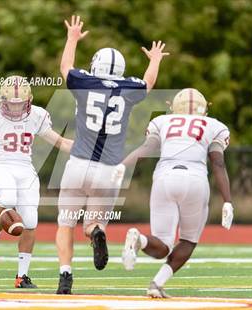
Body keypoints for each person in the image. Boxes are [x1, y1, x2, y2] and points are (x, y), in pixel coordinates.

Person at [56, 15, 169, 294]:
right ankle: (96, 233)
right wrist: (155, 59)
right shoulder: (129, 88)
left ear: (95, 65)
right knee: (91, 225)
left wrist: (72, 38)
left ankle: (65, 276)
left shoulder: (84, 81)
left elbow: (65, 68)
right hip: (109, 170)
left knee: (66, 223)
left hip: (78, 164)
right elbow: (148, 82)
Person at [114, 88, 234, 298]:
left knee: (162, 245)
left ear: (173, 107)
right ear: (205, 108)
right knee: (188, 241)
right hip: (195, 180)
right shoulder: (215, 126)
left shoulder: (161, 121)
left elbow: (147, 148)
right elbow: (218, 162)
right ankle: (157, 283)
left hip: (164, 179)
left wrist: (123, 165)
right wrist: (228, 201)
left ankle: (140, 240)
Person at [0, 75, 73, 288]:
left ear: (29, 101)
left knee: (31, 220)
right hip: (1, 164)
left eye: (19, 104)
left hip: (25, 167)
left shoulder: (37, 116)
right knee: (6, 198)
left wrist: (87, 151)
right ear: (2, 101)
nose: (15, 109)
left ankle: (22, 276)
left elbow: (59, 141)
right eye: (11, 104)